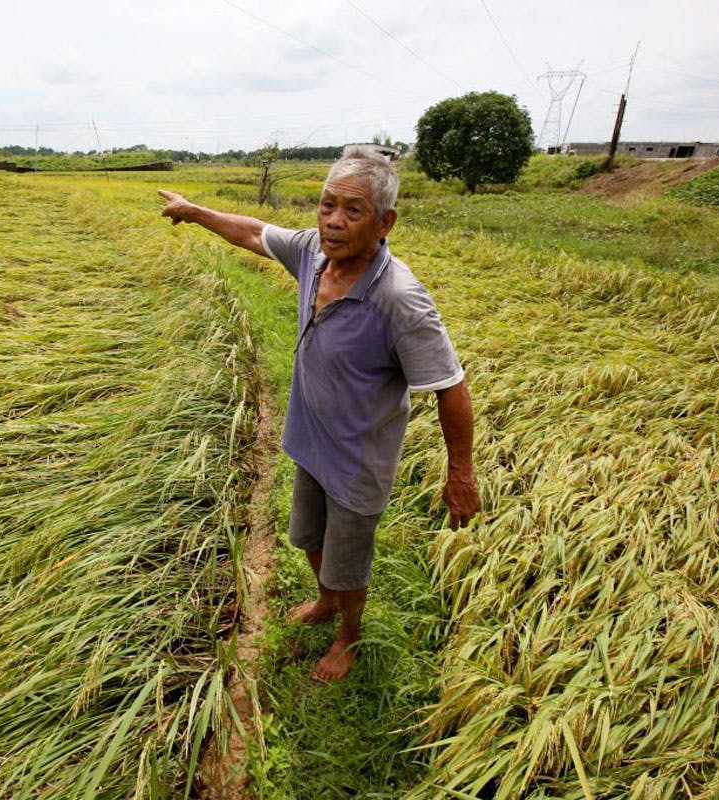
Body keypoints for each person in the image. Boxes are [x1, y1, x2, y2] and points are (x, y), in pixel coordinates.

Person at [158, 146, 479, 681]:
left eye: (353, 211)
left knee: (348, 558)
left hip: (358, 458)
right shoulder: (312, 253)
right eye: (327, 205)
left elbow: (450, 385)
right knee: (310, 538)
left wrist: (461, 473)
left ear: (385, 222)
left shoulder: (400, 299)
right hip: (310, 438)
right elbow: (255, 233)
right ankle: (327, 601)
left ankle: (348, 637)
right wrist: (194, 212)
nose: (334, 221)